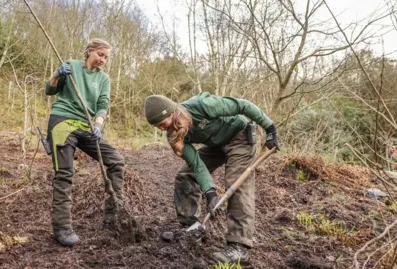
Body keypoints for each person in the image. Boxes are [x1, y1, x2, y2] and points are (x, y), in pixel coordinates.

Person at [144, 93, 280, 263]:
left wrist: (270, 128)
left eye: (162, 123)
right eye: (157, 127)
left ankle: (239, 246)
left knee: (237, 186)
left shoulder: (202, 105)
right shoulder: (173, 135)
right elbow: (196, 164)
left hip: (240, 137)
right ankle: (191, 227)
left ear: (171, 113)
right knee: (185, 175)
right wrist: (210, 191)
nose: (162, 129)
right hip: (216, 145)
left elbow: (242, 105)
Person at [45, 38, 124, 246]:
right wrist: (57, 74)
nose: (103, 60)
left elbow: (102, 104)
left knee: (116, 161)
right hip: (62, 122)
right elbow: (50, 89)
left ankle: (114, 216)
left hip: (86, 126)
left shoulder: (104, 79)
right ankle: (62, 228)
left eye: (106, 57)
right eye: (100, 55)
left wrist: (98, 125)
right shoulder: (71, 66)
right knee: (65, 174)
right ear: (89, 51)